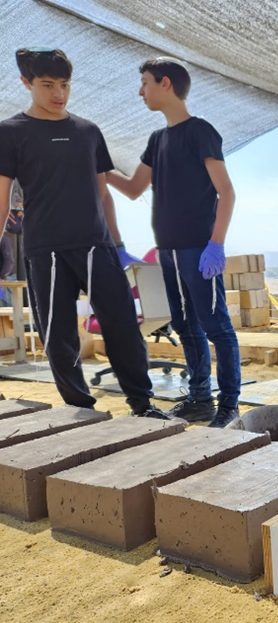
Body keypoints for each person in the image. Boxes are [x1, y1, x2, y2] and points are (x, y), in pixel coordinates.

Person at [0, 47, 169, 418]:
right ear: (26, 83)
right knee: (58, 335)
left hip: (97, 245)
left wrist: (119, 243)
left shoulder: (87, 131)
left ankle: (142, 405)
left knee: (123, 325)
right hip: (46, 248)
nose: (58, 94)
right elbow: (1, 196)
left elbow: (103, 193)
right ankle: (82, 407)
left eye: (64, 85)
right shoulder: (10, 133)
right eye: (47, 85)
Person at [107, 57, 241, 428]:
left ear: (165, 84)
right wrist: (100, 169)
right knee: (185, 326)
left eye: (145, 83)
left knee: (217, 327)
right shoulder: (157, 140)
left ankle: (229, 406)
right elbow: (134, 189)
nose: (140, 91)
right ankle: (200, 400)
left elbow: (226, 192)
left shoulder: (200, 132)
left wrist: (217, 243)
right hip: (167, 249)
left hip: (199, 249)